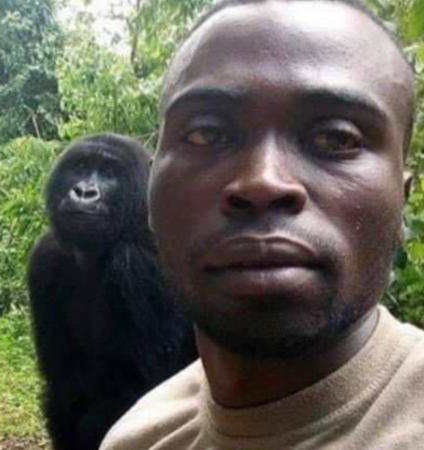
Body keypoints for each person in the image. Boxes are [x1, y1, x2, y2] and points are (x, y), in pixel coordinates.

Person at [101, 1, 424, 448]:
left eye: (336, 138)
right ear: (152, 198)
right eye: (206, 134)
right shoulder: (138, 439)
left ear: (401, 201)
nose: (262, 181)